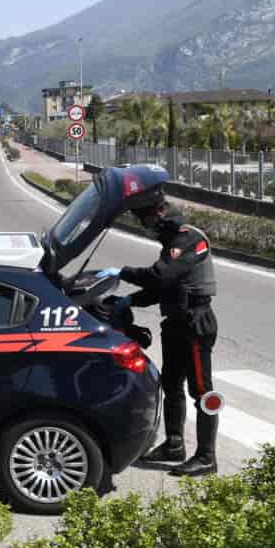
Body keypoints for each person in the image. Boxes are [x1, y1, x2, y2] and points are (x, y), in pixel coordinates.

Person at [102, 193, 219, 476]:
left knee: (202, 391)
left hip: (195, 322)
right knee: (171, 385)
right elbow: (162, 289)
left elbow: (160, 275)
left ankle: (206, 457)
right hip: (176, 322)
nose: (146, 227)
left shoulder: (189, 239)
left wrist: (122, 272)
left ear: (160, 214)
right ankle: (174, 445)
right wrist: (130, 300)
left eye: (147, 220)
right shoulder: (171, 242)